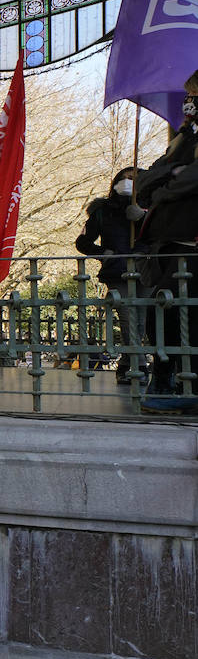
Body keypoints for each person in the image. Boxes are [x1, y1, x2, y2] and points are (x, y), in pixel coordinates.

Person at [137, 71, 198, 413]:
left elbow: (183, 179)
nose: (188, 102)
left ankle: (177, 380)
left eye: (194, 94)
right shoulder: (185, 137)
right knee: (162, 316)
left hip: (190, 246)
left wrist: (167, 184)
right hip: (169, 246)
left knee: (180, 317)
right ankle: (164, 377)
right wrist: (165, 178)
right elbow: (150, 176)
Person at [75, 167, 145, 384]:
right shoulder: (102, 210)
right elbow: (83, 242)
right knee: (127, 317)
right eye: (125, 178)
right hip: (117, 271)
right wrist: (103, 254)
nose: (128, 182)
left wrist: (143, 216)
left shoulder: (151, 207)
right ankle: (138, 364)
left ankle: (126, 364)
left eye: (133, 179)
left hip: (145, 269)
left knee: (140, 322)